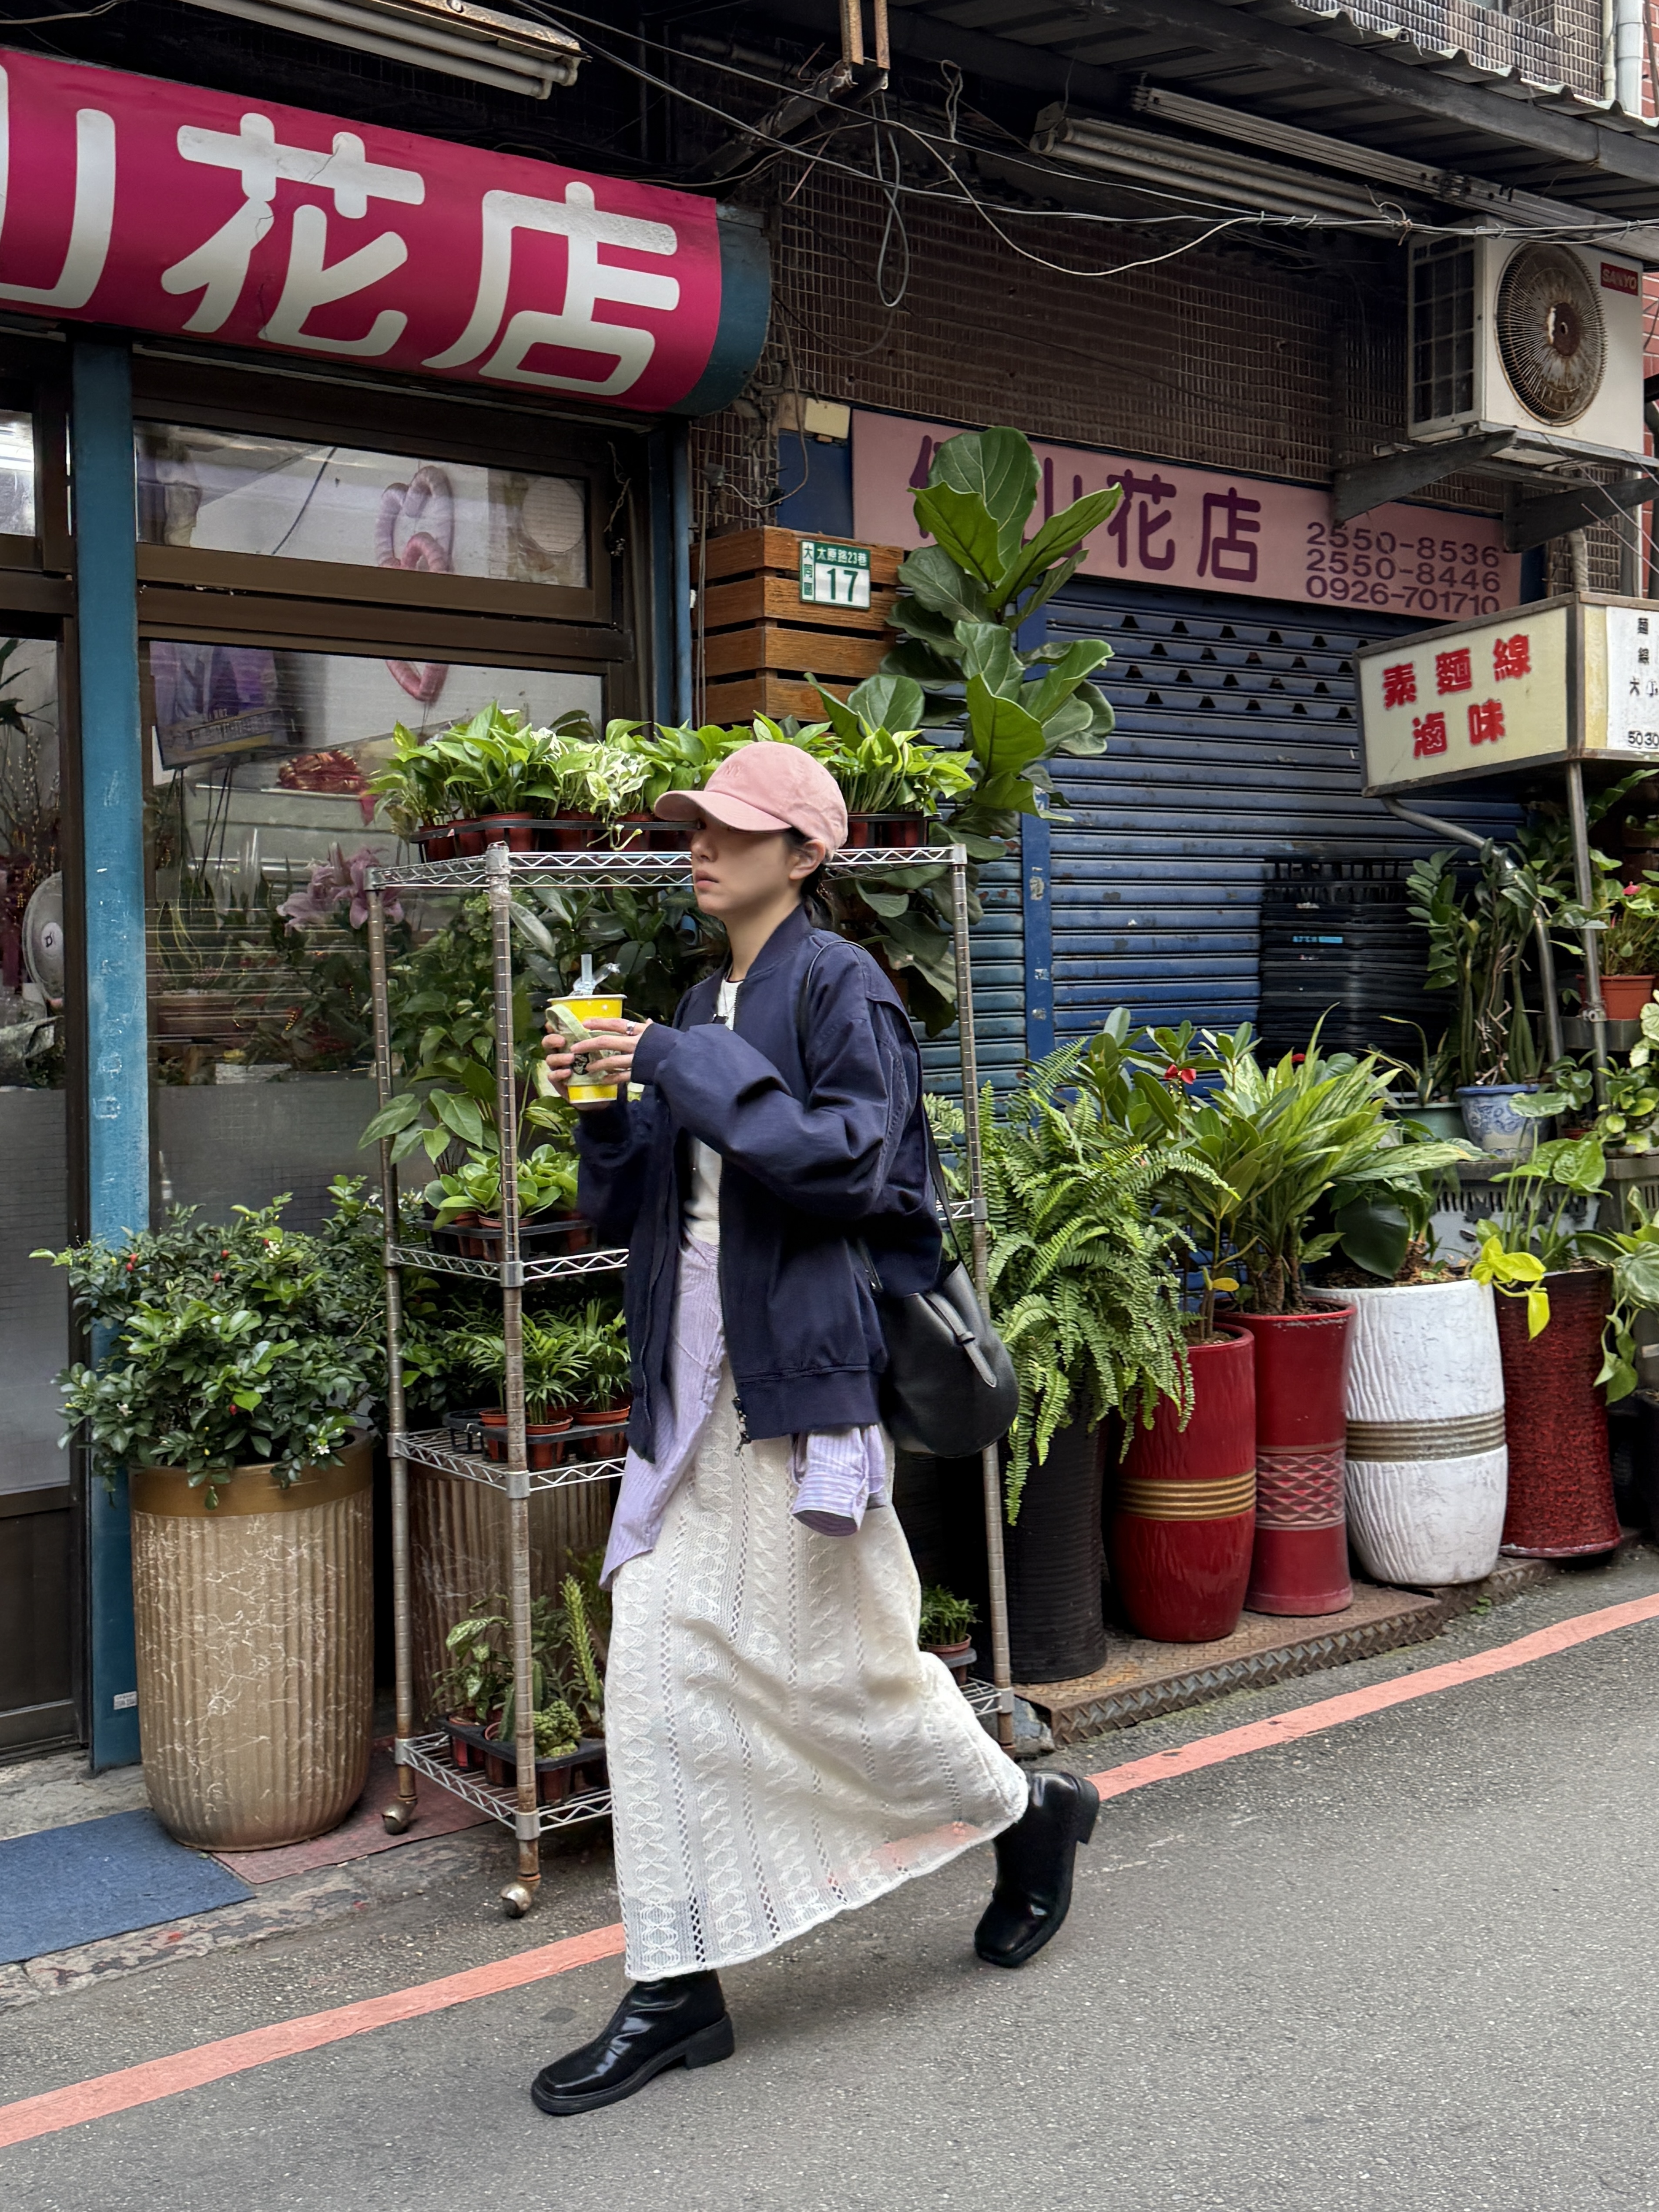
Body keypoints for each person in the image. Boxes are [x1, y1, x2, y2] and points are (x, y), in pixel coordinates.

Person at [532, 740, 1099, 2118]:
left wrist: (676, 1059)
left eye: (734, 829)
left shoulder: (845, 988)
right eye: (696, 826)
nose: (702, 846)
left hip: (800, 1383)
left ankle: (1029, 1813)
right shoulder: (698, 998)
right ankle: (677, 1983)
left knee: (845, 1676)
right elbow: (634, 1206)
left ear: (805, 856)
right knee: (656, 1661)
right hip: (694, 1386)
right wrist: (604, 1105)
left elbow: (856, 1166)